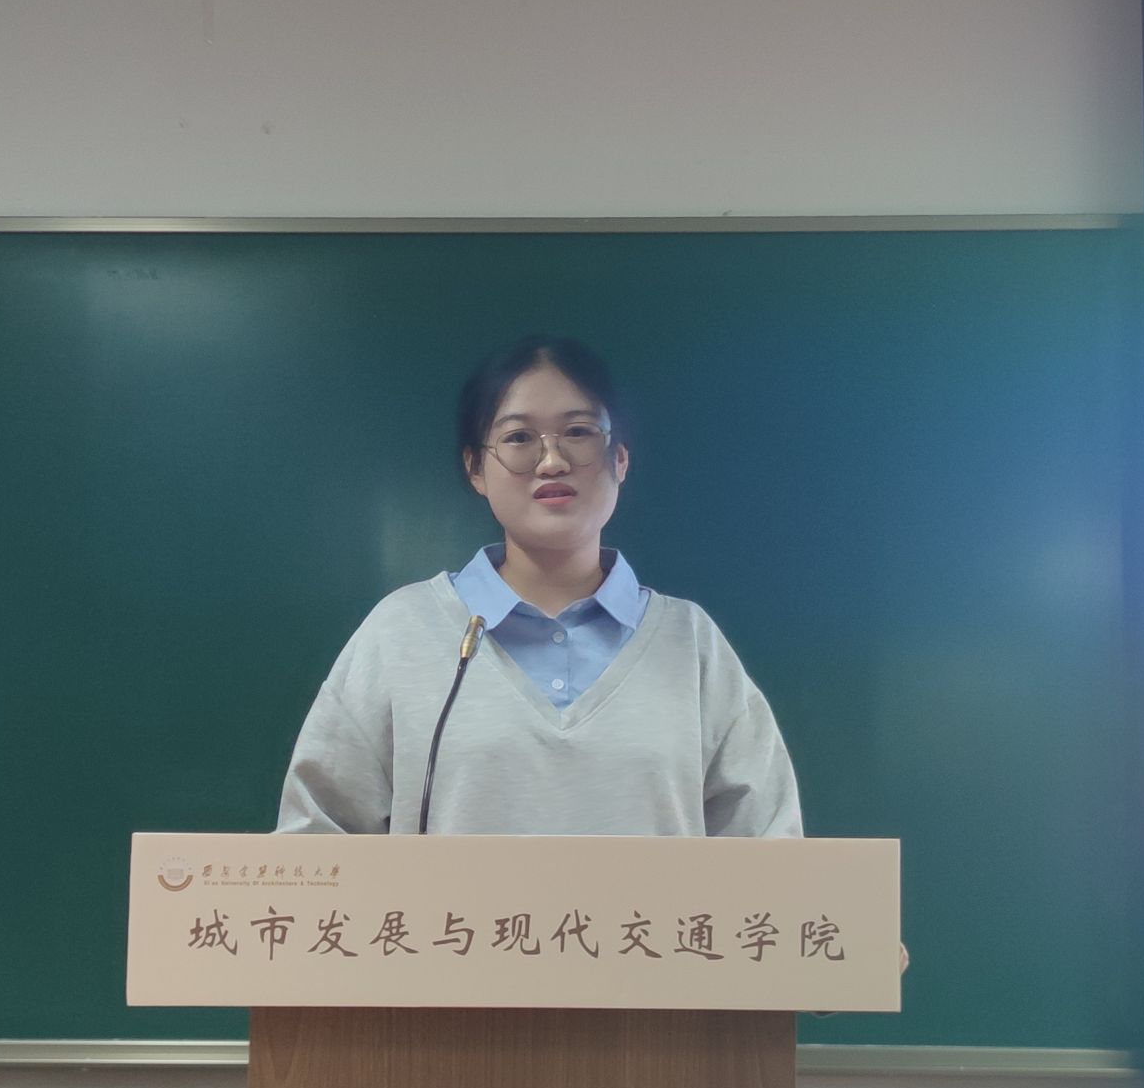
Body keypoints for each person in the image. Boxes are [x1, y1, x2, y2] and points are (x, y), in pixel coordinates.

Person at [275, 335, 801, 839]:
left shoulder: (690, 643)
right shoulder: (403, 631)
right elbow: (316, 840)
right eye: (519, 438)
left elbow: (769, 848)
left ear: (620, 459)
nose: (552, 461)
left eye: (578, 432)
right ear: (475, 468)